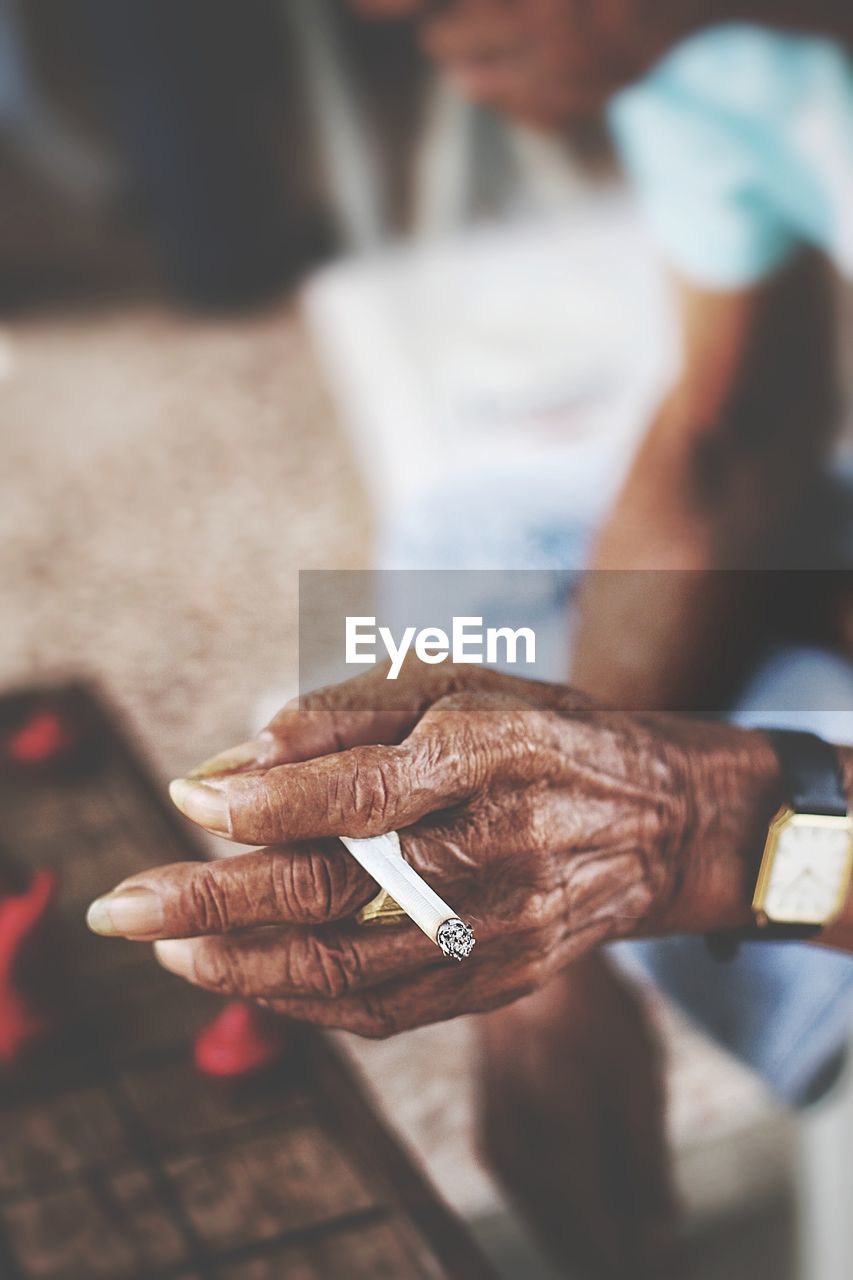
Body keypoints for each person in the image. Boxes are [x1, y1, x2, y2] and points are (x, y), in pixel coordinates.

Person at [92, 4, 853, 1276]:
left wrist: (695, 832)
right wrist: (550, 959)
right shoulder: (711, 56)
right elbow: (728, 444)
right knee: (474, 538)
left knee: (731, 802)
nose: (409, 36)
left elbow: (709, 805)